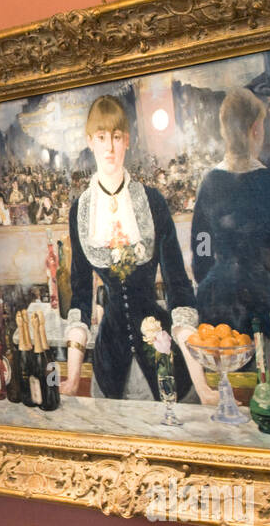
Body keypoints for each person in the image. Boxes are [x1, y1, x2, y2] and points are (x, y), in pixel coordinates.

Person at [63, 95, 200, 401]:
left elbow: (179, 287)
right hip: (110, 361)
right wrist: (73, 379)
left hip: (163, 355)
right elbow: (81, 296)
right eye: (101, 138)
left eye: (115, 137)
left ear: (126, 140)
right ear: (90, 142)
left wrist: (201, 383)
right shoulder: (80, 211)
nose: (109, 148)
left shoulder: (152, 202)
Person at [190, 87, 270, 337]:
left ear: (225, 131)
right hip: (263, 295)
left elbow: (201, 247)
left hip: (216, 299)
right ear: (256, 129)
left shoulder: (209, 184)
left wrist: (210, 279)